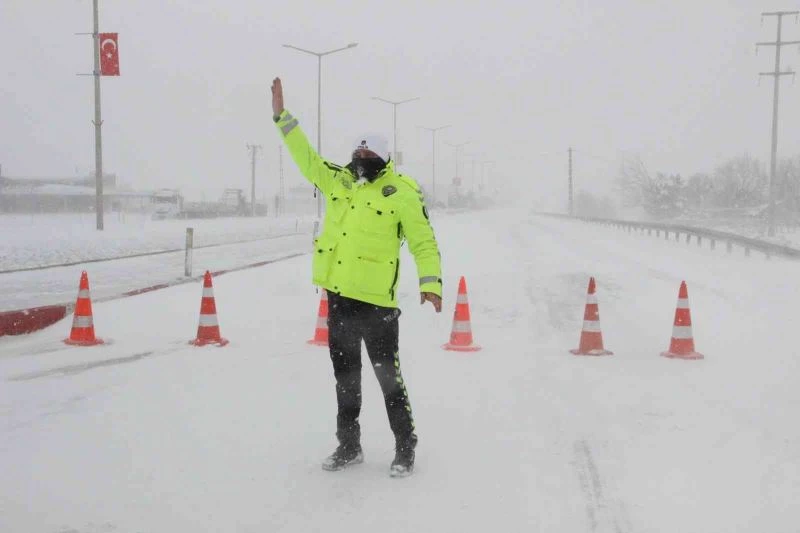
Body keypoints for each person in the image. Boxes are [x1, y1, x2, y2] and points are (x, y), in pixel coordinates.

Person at [271, 77, 443, 477]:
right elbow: (307, 158)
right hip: (339, 299)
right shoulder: (341, 182)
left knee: (389, 381)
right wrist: (282, 118)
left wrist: (430, 283)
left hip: (378, 306)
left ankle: (405, 447)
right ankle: (348, 446)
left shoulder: (401, 192)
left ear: (382, 157)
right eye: (356, 150)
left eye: (367, 152)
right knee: (345, 380)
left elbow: (424, 244)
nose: (359, 156)